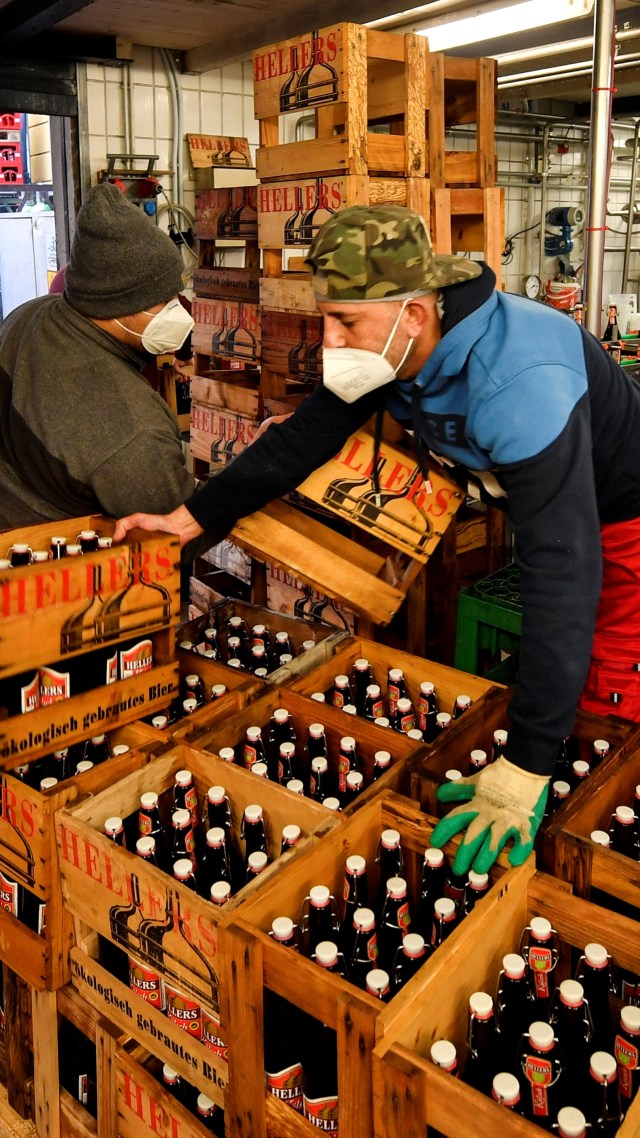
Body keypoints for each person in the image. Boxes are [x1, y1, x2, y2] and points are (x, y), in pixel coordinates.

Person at [114, 204, 640, 873]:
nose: (331, 342)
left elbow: (563, 573)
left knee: (609, 690)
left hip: (623, 519)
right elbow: (304, 438)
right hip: (546, 497)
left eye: (345, 322)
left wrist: (525, 767)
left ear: (413, 314)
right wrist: (189, 521)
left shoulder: (521, 382)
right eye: (326, 318)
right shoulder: (385, 343)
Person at [0, 181, 195, 531]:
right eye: (163, 300)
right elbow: (182, 530)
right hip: (56, 566)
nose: (176, 310)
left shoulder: (28, 316)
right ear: (118, 303)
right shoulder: (130, 429)